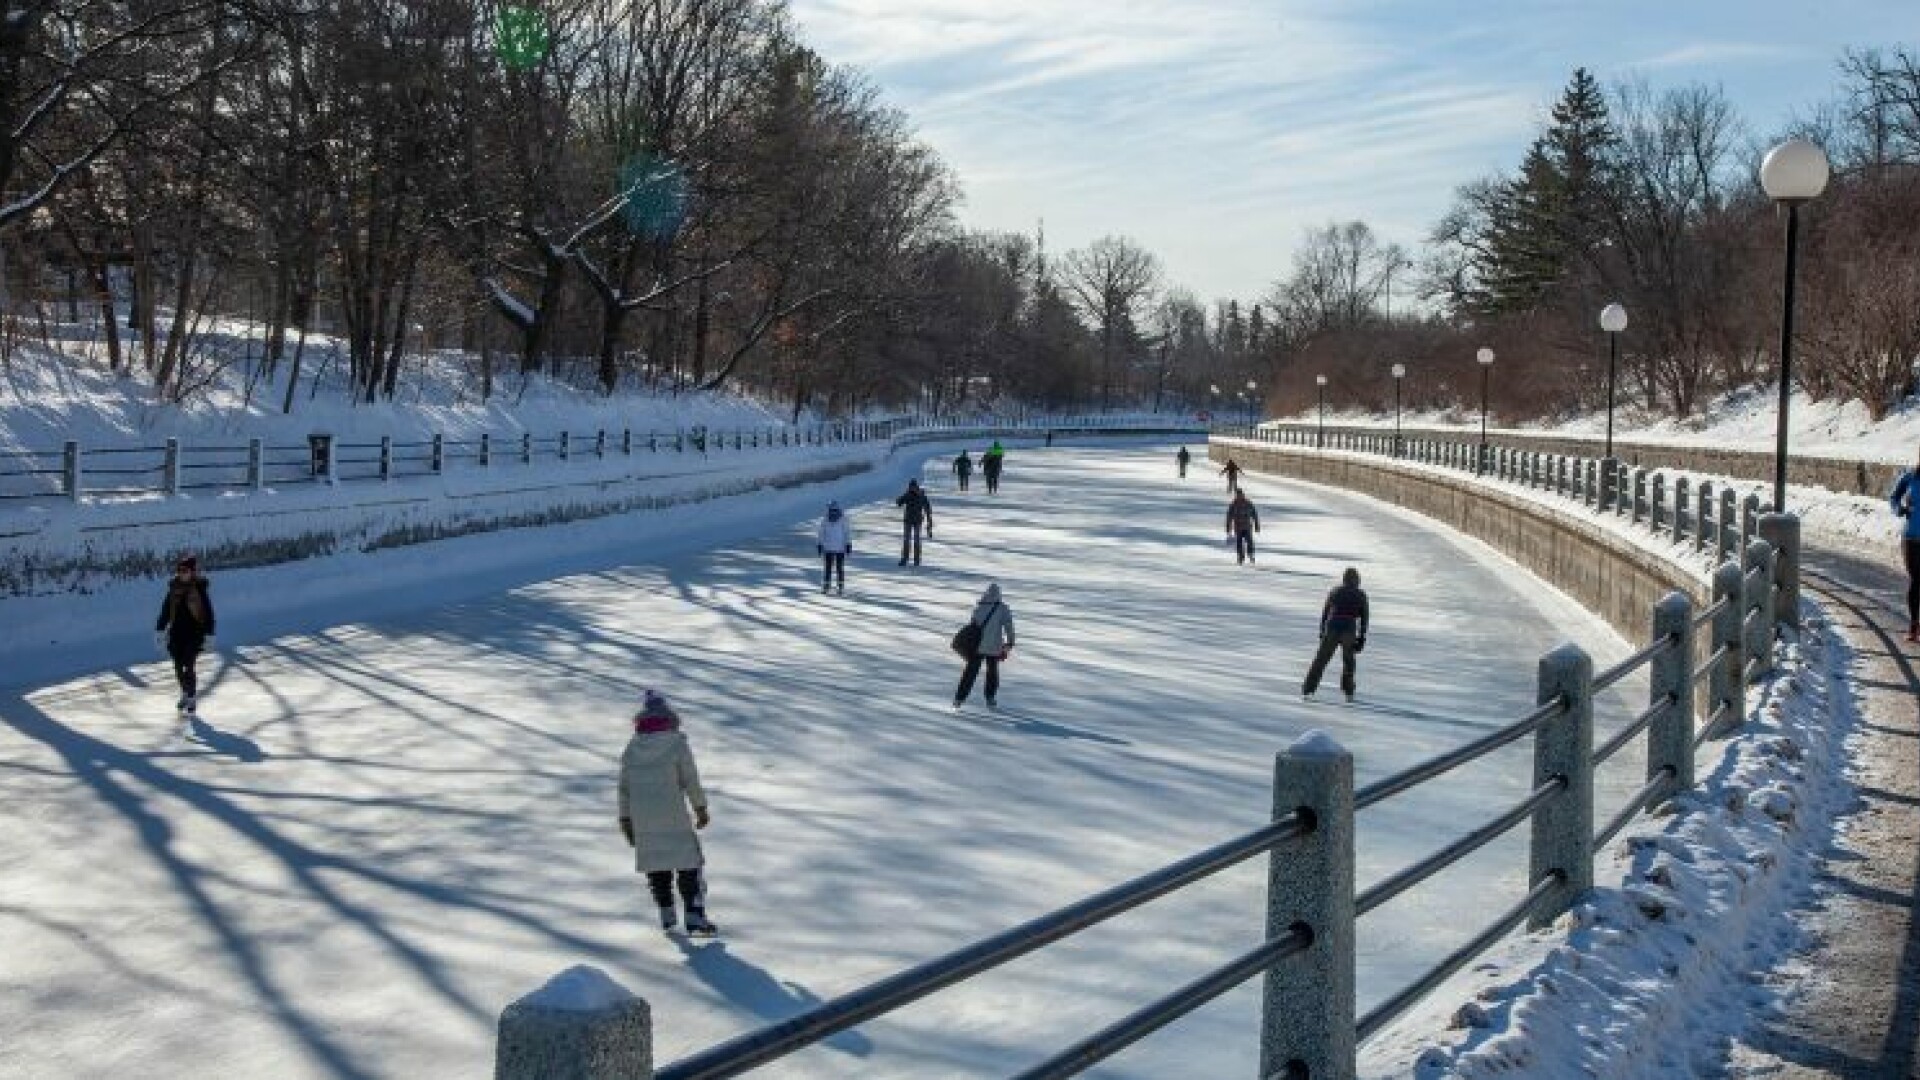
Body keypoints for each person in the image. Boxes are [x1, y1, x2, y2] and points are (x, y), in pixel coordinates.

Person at [618, 689, 718, 936]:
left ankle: (666, 913)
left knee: (657, 865)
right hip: (673, 814)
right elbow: (689, 778)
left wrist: (626, 819)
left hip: (643, 818)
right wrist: (700, 807)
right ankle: (694, 917)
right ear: (669, 717)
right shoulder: (676, 743)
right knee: (689, 864)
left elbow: (624, 788)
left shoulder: (631, 749)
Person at [154, 554, 216, 714]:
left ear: (192, 572)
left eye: (185, 570)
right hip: (176, 635)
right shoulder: (173, 590)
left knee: (189, 666)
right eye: (180, 570)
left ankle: (192, 697)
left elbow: (208, 613)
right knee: (177, 668)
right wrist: (160, 630)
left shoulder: (199, 590)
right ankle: (184, 693)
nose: (182, 573)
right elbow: (165, 611)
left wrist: (209, 635)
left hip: (194, 635)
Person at [1303, 568, 1370, 702]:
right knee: (1348, 661)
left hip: (1332, 626)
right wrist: (1362, 637)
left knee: (1321, 659)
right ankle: (1348, 691)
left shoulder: (1335, 591)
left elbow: (1326, 611)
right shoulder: (1361, 594)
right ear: (1357, 580)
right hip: (1349, 629)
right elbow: (1364, 617)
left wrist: (1322, 629)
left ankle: (1308, 688)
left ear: (1344, 579)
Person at [953, 583, 1016, 710]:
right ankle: (990, 698)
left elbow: (973, 626)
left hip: (977, 646)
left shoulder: (979, 607)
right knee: (992, 672)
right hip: (994, 647)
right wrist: (1010, 642)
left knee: (970, 673)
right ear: (999, 595)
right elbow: (1009, 626)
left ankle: (959, 699)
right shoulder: (1003, 608)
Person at [1892, 449, 1920, 641]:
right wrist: (1900, 509)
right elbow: (1894, 497)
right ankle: (1913, 625)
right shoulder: (1909, 477)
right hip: (1910, 538)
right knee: (1916, 580)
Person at [896, 478, 934, 566]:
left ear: (916, 487)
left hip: (917, 521)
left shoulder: (921, 496)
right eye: (911, 487)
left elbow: (927, 508)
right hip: (908, 520)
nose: (912, 489)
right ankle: (904, 559)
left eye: (913, 487)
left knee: (916, 540)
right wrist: (901, 498)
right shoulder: (908, 495)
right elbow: (899, 503)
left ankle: (916, 560)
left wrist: (929, 521)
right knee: (906, 540)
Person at [817, 500, 852, 594]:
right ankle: (831, 586)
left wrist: (848, 544)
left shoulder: (841, 519)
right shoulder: (826, 519)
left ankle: (836, 586)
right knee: (835, 568)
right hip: (832, 548)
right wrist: (820, 544)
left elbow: (846, 533)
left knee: (833, 568)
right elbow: (821, 533)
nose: (832, 511)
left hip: (834, 548)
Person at [1225, 490, 1261, 565]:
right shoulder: (1233, 504)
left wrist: (1257, 525)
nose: (1239, 496)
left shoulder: (1248, 503)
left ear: (1243, 495)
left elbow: (1254, 514)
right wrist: (1228, 528)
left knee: (1249, 541)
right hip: (1238, 527)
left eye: (1240, 495)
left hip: (1247, 527)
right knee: (1239, 543)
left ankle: (1250, 554)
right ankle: (1241, 556)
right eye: (1237, 495)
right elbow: (1229, 517)